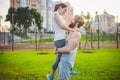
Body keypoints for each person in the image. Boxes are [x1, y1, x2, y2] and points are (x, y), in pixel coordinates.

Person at [46, 3, 77, 80]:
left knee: (61, 58)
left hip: (60, 39)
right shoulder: (55, 14)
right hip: (59, 40)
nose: (65, 12)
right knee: (67, 55)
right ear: (60, 7)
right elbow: (61, 26)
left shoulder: (60, 16)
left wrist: (73, 27)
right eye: (65, 10)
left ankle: (52, 75)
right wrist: (72, 30)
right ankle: (54, 75)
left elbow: (64, 27)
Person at [55, 15, 84, 80]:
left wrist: (57, 49)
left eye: (72, 19)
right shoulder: (72, 31)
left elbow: (68, 49)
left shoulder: (76, 33)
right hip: (63, 61)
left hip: (66, 62)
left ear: (76, 23)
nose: (71, 20)